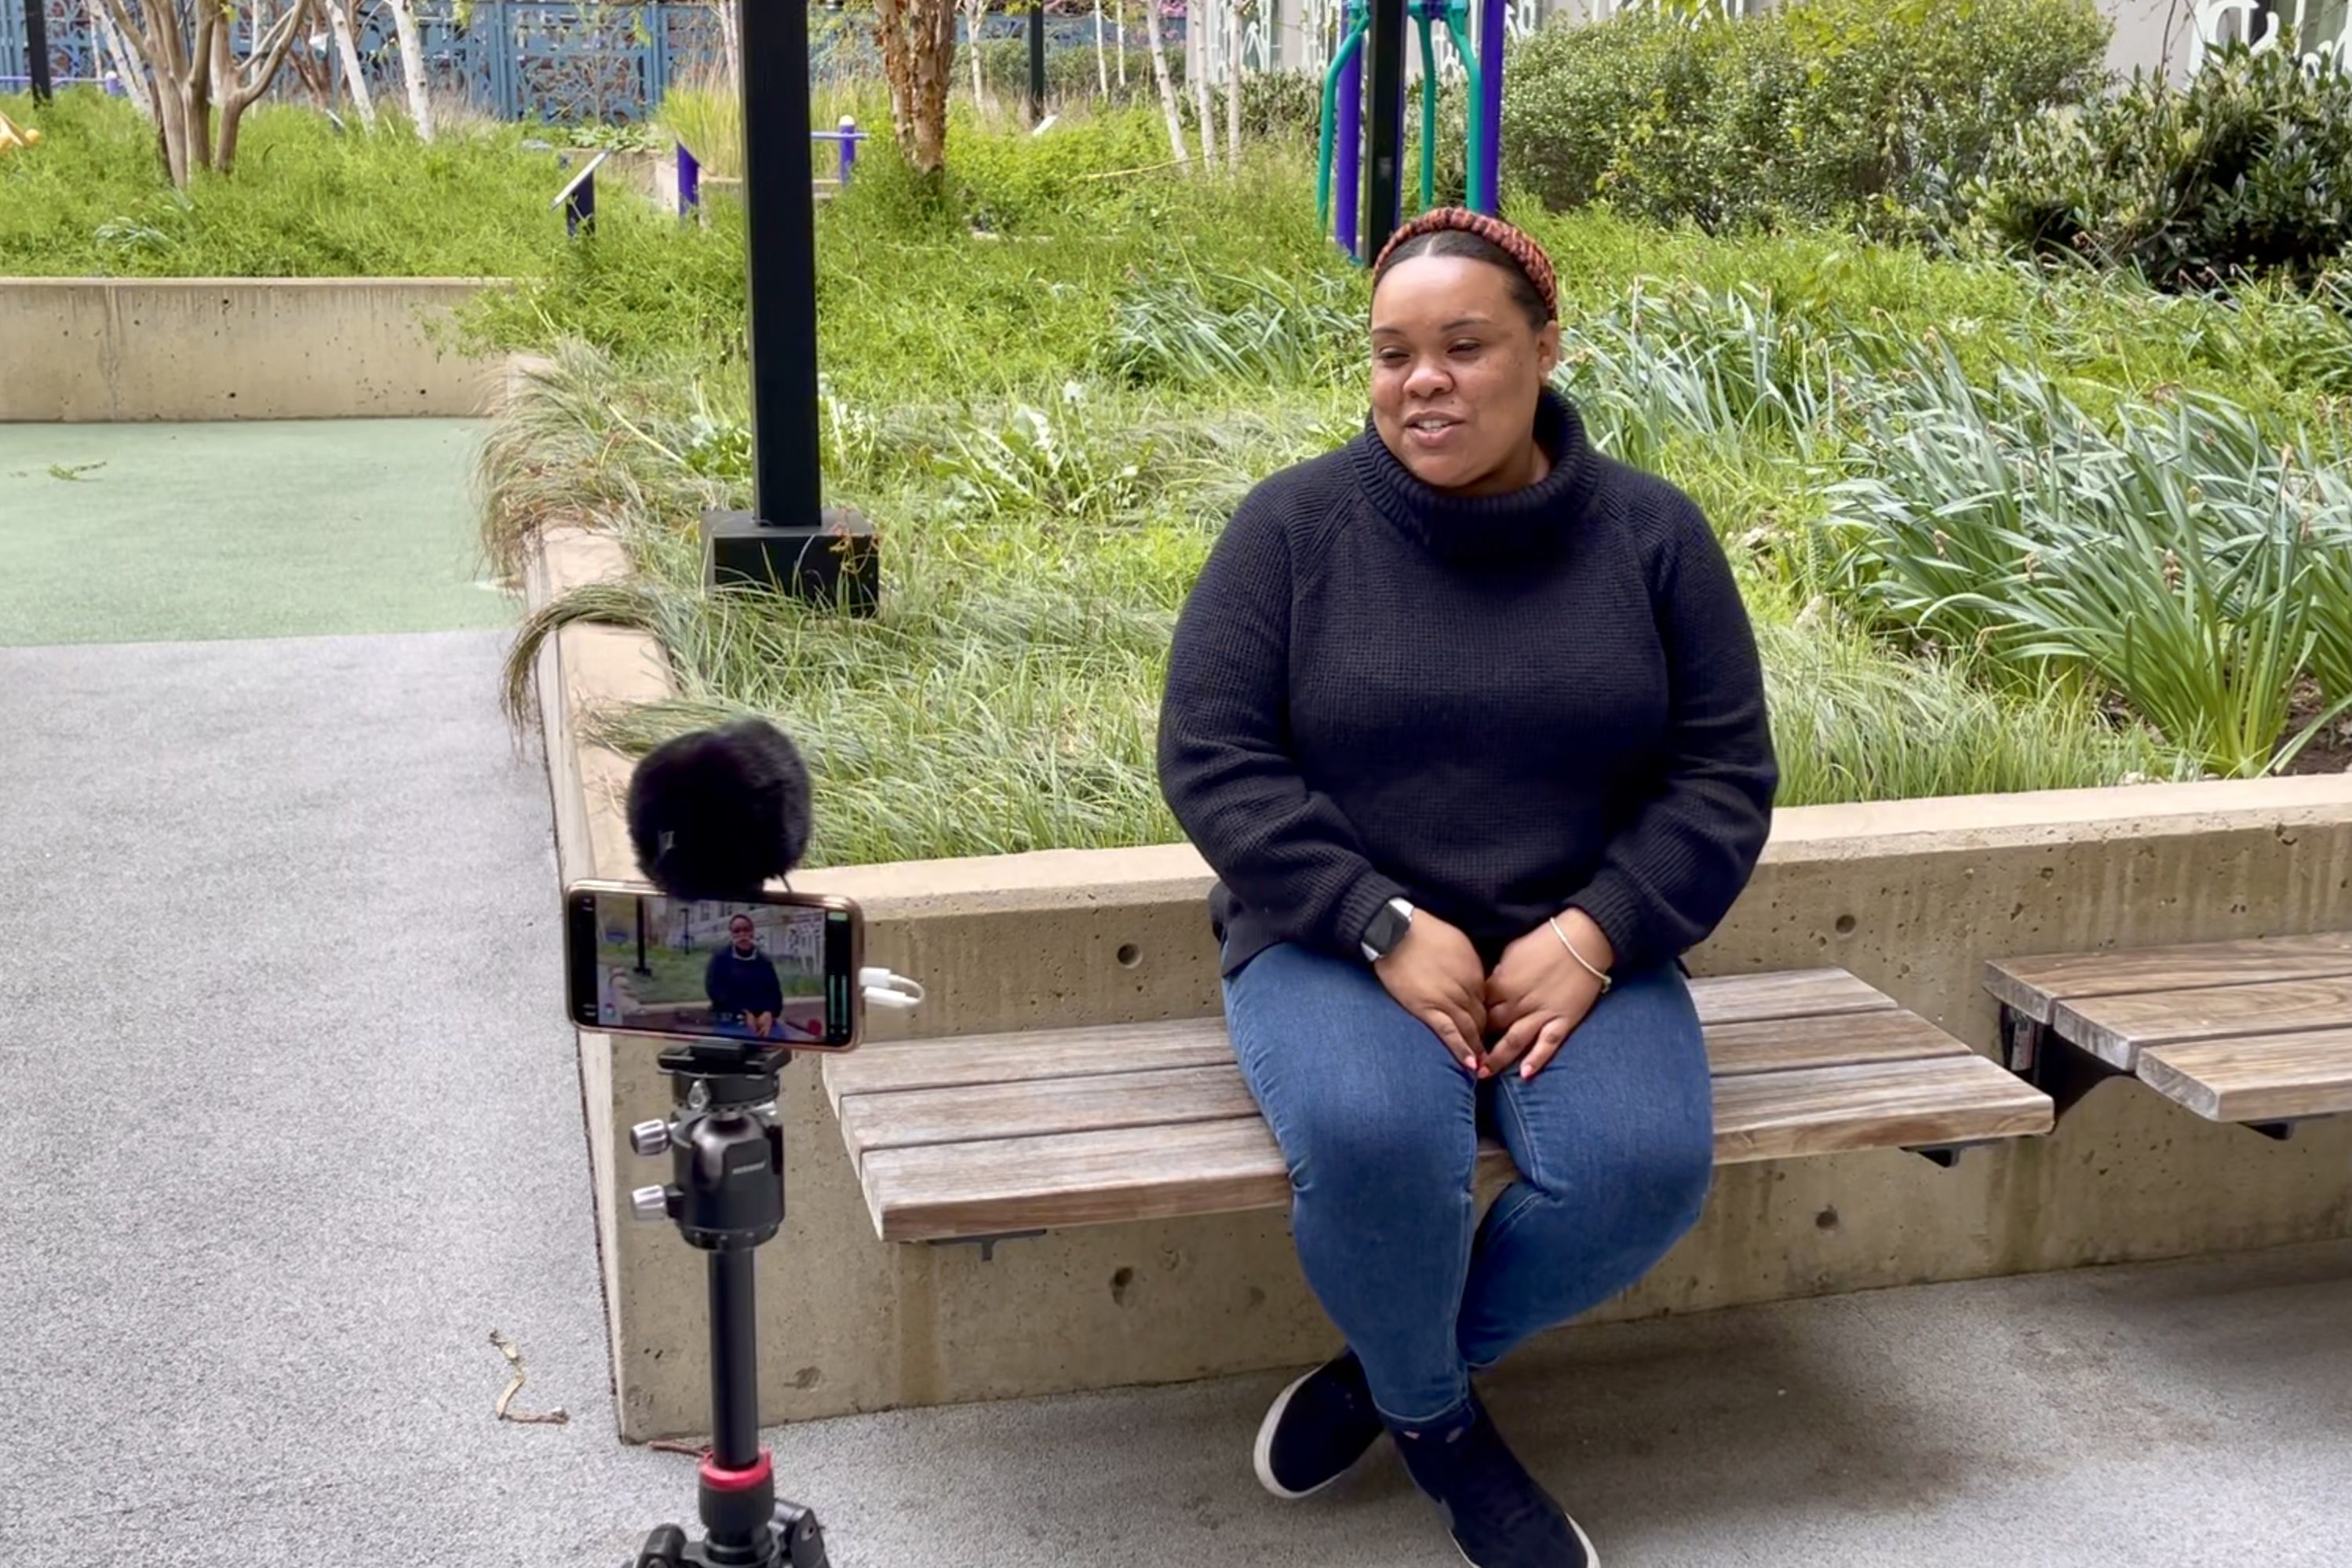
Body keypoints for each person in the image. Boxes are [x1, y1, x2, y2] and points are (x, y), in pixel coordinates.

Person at [1155, 209, 1778, 1568]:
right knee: (1380, 1143)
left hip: (1579, 939)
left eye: (1462, 345)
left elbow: (1723, 774)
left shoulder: (1652, 538)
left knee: (1636, 1170)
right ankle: (1443, 1430)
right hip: (1333, 938)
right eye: (1390, 353)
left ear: (1545, 348)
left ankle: (1390, 1372)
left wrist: (1602, 928)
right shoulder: (1294, 530)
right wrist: (1374, 919)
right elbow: (1211, 756)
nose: (1419, 379)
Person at [704, 913, 784, 1039]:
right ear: (731, 934)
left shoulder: (764, 961)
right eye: (737, 931)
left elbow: (775, 993)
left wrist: (769, 1013)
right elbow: (715, 991)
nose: (742, 935)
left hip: (761, 1020)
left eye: (746, 929)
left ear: (753, 932)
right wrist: (743, 1013)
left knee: (781, 1043)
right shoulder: (720, 959)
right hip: (730, 1018)